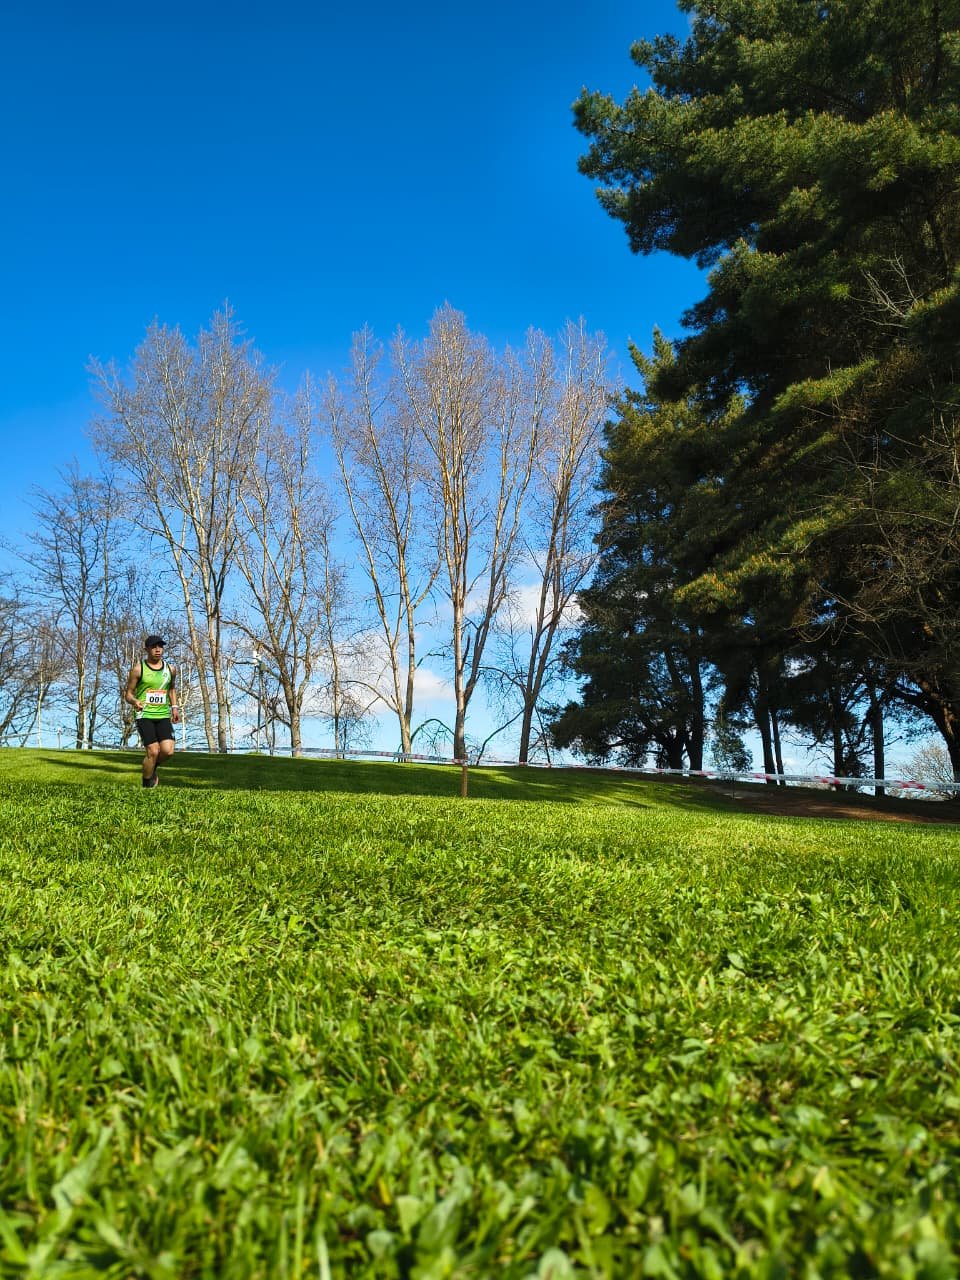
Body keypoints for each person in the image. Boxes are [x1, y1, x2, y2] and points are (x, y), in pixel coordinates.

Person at [124, 635, 180, 788]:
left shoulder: (170, 669)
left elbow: (172, 689)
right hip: (145, 715)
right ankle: (147, 784)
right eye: (154, 647)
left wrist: (174, 707)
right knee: (153, 751)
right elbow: (128, 694)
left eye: (160, 646)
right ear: (147, 649)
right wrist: (135, 701)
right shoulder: (138, 669)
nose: (158, 650)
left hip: (163, 714)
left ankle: (150, 767)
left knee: (168, 751)